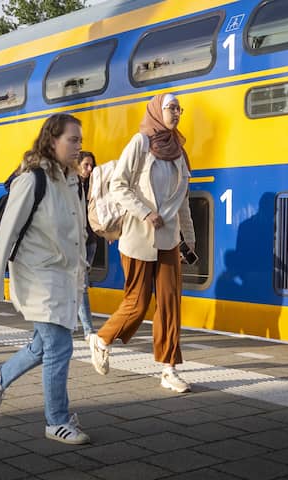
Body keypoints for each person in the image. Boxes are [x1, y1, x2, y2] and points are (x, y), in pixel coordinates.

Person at [0, 113, 90, 445]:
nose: (78, 147)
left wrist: (82, 273)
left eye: (80, 141)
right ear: (52, 140)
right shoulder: (32, 180)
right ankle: (55, 420)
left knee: (43, 346)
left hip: (63, 275)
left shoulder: (72, 181)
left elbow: (78, 234)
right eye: (73, 140)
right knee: (59, 345)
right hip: (37, 275)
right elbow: (7, 232)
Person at [88, 93, 196, 394]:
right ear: (157, 110)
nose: (175, 113)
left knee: (170, 304)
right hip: (138, 236)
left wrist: (189, 240)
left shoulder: (179, 151)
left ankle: (168, 369)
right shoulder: (140, 142)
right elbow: (118, 185)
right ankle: (102, 338)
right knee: (137, 303)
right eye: (170, 107)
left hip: (168, 239)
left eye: (178, 108)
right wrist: (146, 212)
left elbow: (182, 199)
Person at [77, 151, 98, 339]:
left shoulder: (94, 185)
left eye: (92, 165)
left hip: (91, 241)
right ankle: (88, 330)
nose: (90, 169)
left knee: (76, 285)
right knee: (81, 285)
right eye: (86, 165)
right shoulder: (71, 186)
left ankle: (66, 323)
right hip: (77, 243)